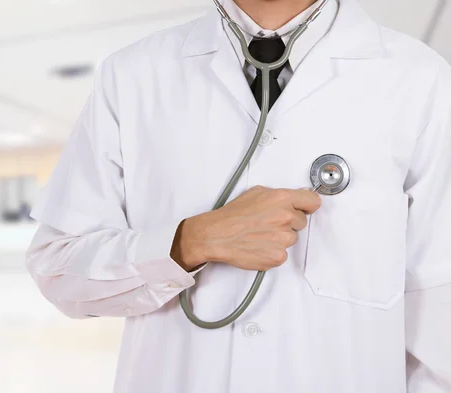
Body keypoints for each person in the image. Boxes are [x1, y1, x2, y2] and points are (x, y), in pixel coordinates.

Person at [26, 0, 451, 392]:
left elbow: (439, 313)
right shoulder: (132, 75)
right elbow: (59, 269)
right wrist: (189, 243)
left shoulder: (419, 79)